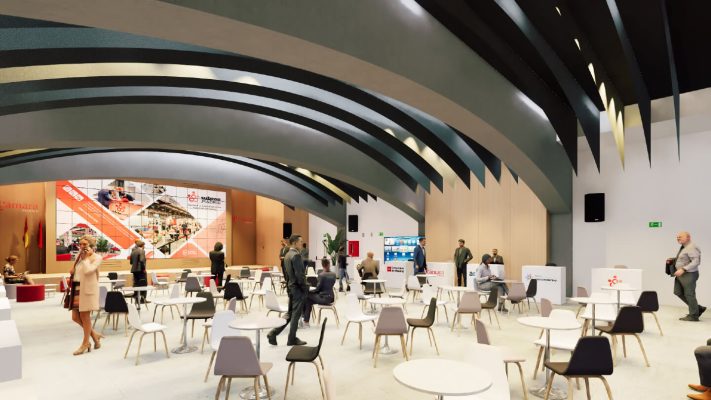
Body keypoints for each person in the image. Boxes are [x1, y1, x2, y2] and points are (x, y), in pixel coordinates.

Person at [267, 234, 307, 346]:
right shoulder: (296, 255)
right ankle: (291, 339)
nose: (301, 244)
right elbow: (300, 275)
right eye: (300, 242)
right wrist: (305, 287)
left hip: (290, 287)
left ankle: (273, 333)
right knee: (295, 315)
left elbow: (287, 274)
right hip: (297, 289)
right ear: (295, 242)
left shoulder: (287, 255)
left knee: (290, 314)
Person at [68, 235, 103, 355]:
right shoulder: (79, 256)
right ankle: (94, 335)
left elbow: (88, 271)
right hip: (77, 288)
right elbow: (78, 271)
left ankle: (85, 343)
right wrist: (73, 270)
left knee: (84, 317)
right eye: (80, 244)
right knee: (75, 317)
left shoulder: (97, 257)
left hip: (87, 290)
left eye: (85, 244)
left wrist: (86, 259)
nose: (82, 246)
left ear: (91, 246)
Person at [672, 231, 706, 321]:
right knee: (677, 292)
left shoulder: (692, 247)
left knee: (689, 294)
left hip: (688, 274)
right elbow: (685, 259)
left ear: (688, 237)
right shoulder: (684, 247)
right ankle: (697, 308)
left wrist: (683, 269)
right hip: (681, 274)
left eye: (680, 237)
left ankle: (693, 316)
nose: (678, 238)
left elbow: (696, 261)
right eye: (677, 237)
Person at [303, 258, 337, 327]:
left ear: (322, 265)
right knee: (308, 301)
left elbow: (318, 289)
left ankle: (303, 318)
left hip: (324, 298)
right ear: (329, 264)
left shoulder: (321, 275)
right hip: (331, 298)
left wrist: (310, 291)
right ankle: (305, 321)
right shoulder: (334, 274)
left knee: (307, 295)